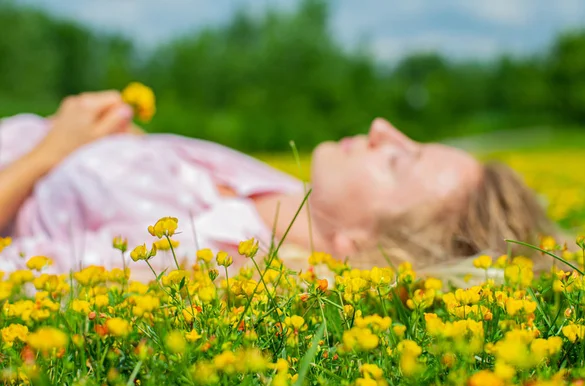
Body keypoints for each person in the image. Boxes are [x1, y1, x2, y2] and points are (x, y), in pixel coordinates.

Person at [0, 90, 556, 282]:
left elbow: (15, 268)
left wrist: (55, 148)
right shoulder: (285, 190)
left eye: (397, 163)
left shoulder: (198, 258)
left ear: (361, 244)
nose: (384, 129)